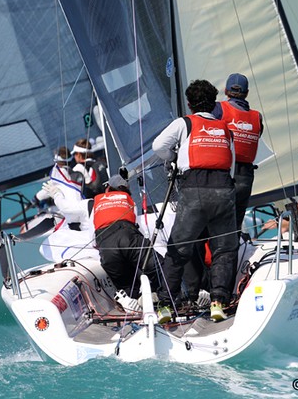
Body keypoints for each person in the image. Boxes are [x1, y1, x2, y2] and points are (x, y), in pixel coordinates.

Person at [152, 79, 238, 322]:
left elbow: (159, 146)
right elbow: (230, 167)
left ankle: (167, 305)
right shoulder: (225, 129)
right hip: (224, 190)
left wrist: (173, 158)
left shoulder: (184, 123)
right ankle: (218, 302)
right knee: (223, 250)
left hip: (194, 190)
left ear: (189, 104)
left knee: (178, 248)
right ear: (213, 105)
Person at [93, 175, 168, 313]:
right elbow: (137, 224)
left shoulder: (97, 202)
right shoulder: (128, 200)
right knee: (157, 266)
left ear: (108, 188)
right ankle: (165, 300)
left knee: (126, 283)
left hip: (106, 245)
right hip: (127, 236)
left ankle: (133, 303)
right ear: (125, 189)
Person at [212, 73, 263, 232]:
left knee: (215, 222)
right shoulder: (257, 116)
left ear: (226, 91)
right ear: (246, 93)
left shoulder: (218, 108)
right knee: (235, 225)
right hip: (246, 176)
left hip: (225, 172)